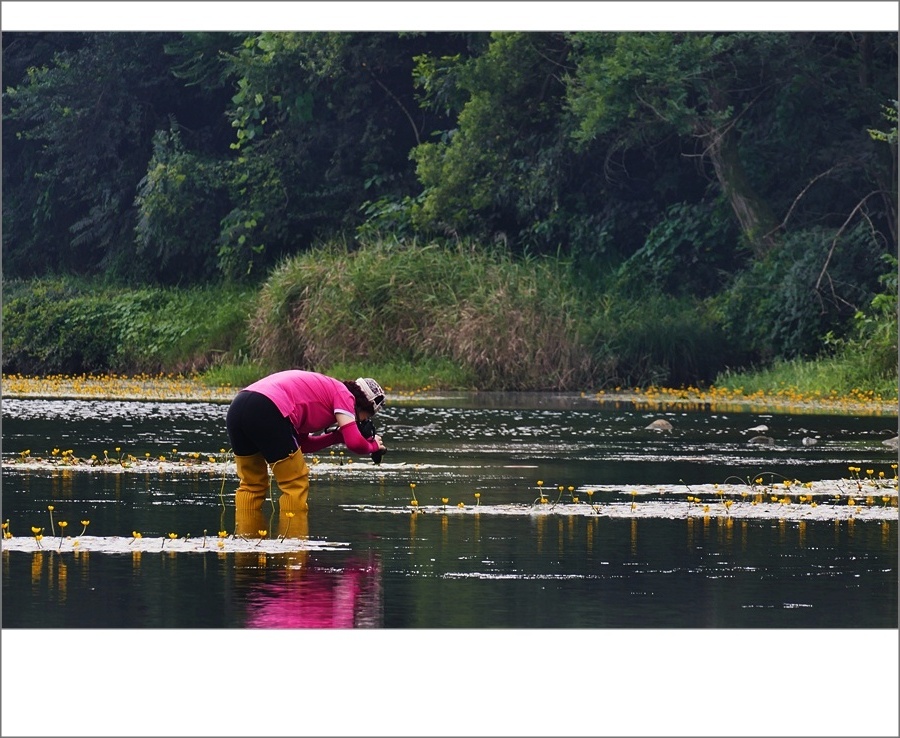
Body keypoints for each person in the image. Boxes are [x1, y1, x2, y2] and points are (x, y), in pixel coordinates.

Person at [225, 370, 386, 536]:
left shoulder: (322, 394)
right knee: (295, 482)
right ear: (363, 406)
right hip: (269, 408)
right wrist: (373, 446)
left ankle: (245, 545)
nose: (363, 422)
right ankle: (294, 549)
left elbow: (302, 444)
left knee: (252, 485)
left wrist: (337, 437)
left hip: (238, 408)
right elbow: (355, 443)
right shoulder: (345, 394)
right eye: (367, 417)